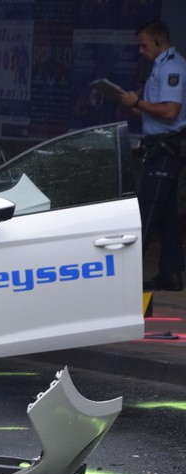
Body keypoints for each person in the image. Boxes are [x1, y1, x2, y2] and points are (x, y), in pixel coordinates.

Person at [120, 19, 186, 291]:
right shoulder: (160, 66)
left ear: (159, 41)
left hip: (167, 149)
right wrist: (129, 103)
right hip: (159, 144)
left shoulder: (172, 67)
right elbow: (152, 112)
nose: (140, 50)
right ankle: (171, 274)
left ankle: (123, 277)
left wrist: (137, 102)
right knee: (168, 215)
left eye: (143, 45)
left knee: (145, 212)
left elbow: (170, 111)